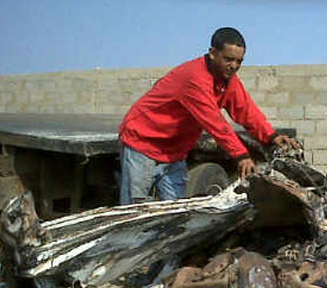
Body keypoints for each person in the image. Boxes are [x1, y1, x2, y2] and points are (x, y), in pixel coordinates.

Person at [118, 27, 300, 204]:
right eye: (229, 59)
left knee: (178, 211)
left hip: (173, 152)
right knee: (135, 209)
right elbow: (214, 121)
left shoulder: (227, 80)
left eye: (239, 61)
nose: (234, 66)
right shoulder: (194, 78)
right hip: (142, 143)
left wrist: (271, 136)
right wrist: (242, 156)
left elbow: (246, 111)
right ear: (213, 53)